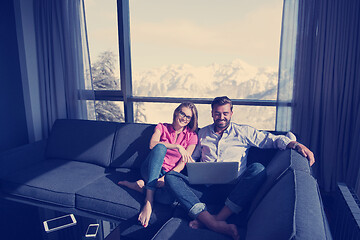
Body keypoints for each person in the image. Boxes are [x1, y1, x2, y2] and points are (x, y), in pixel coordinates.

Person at [165, 96, 315, 240]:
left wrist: (295, 144)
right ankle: (213, 223)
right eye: (217, 113)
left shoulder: (243, 132)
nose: (221, 117)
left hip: (234, 191)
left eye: (225, 113)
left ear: (231, 113)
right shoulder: (203, 133)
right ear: (212, 113)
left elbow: (272, 140)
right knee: (171, 177)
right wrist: (192, 165)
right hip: (206, 189)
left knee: (258, 169)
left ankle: (216, 219)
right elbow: (193, 158)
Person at [118, 102, 199, 228]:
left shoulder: (192, 136)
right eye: (182, 113)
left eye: (188, 117)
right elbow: (152, 144)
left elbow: (183, 162)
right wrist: (177, 146)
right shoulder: (162, 127)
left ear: (190, 120)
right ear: (176, 112)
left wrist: (166, 178)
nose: (184, 118)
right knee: (160, 147)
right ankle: (148, 201)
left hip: (168, 174)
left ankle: (140, 187)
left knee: (169, 200)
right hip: (149, 169)